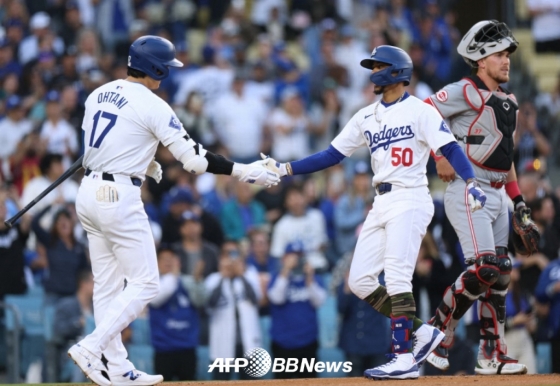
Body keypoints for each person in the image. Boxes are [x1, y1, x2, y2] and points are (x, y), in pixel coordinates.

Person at [260, 45, 487, 380]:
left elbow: (449, 147)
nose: (373, 71)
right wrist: (285, 169)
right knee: (359, 280)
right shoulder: (366, 114)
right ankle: (422, 333)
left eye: (379, 65)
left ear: (396, 71)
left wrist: (470, 180)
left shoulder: (420, 111)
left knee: (396, 276)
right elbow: (331, 155)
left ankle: (403, 356)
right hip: (380, 201)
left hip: (410, 197)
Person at [68, 35, 280, 386]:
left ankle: (117, 368)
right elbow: (195, 161)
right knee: (147, 283)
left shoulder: (98, 93)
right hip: (118, 196)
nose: (166, 74)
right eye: (165, 68)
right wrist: (245, 171)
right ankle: (92, 346)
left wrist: (144, 159)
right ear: (155, 68)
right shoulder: (153, 104)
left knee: (107, 286)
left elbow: (105, 140)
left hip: (89, 191)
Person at [422, 20, 531, 375]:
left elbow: (506, 157)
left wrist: (520, 203)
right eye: (500, 54)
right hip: (470, 191)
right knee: (487, 267)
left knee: (501, 275)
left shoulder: (508, 101)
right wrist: (439, 155)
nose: (507, 60)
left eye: (508, 55)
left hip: (499, 193)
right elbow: (423, 112)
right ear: (481, 60)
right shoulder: (464, 90)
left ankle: (492, 354)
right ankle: (438, 332)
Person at [267, 242, 327, 379]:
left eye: (300, 256)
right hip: (282, 342)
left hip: (308, 342)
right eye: (292, 256)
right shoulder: (277, 277)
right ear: (284, 258)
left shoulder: (314, 278)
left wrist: (309, 278)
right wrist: (286, 270)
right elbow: (276, 298)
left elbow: (319, 301)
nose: (296, 260)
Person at [205, 241, 262, 380]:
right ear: (221, 257)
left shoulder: (250, 275)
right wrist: (224, 277)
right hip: (222, 344)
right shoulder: (213, 279)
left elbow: (255, 299)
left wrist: (240, 274)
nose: (231, 258)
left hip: (248, 343)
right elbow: (210, 304)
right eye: (227, 254)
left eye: (234, 253)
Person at [149, 247, 206, 381]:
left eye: (171, 259)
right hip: (163, 349)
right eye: (164, 259)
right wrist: (173, 276)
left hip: (187, 347)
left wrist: (197, 281)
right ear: (156, 262)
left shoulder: (188, 282)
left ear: (178, 261)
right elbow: (157, 300)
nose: (168, 262)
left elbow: (200, 301)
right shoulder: (151, 284)